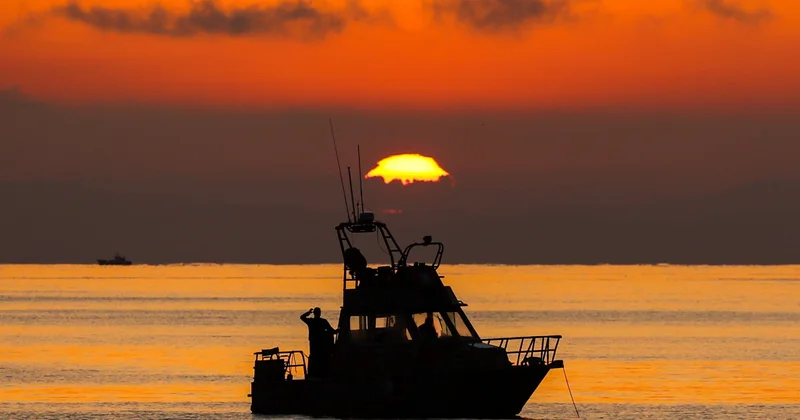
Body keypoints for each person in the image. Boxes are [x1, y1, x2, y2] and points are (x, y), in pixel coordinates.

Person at [300, 307, 337, 378]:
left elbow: (302, 317)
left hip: (314, 344)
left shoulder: (311, 322)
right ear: (320, 313)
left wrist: (308, 312)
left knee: (314, 358)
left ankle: (314, 374)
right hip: (320, 345)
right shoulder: (323, 321)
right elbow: (332, 331)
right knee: (319, 358)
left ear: (314, 313)